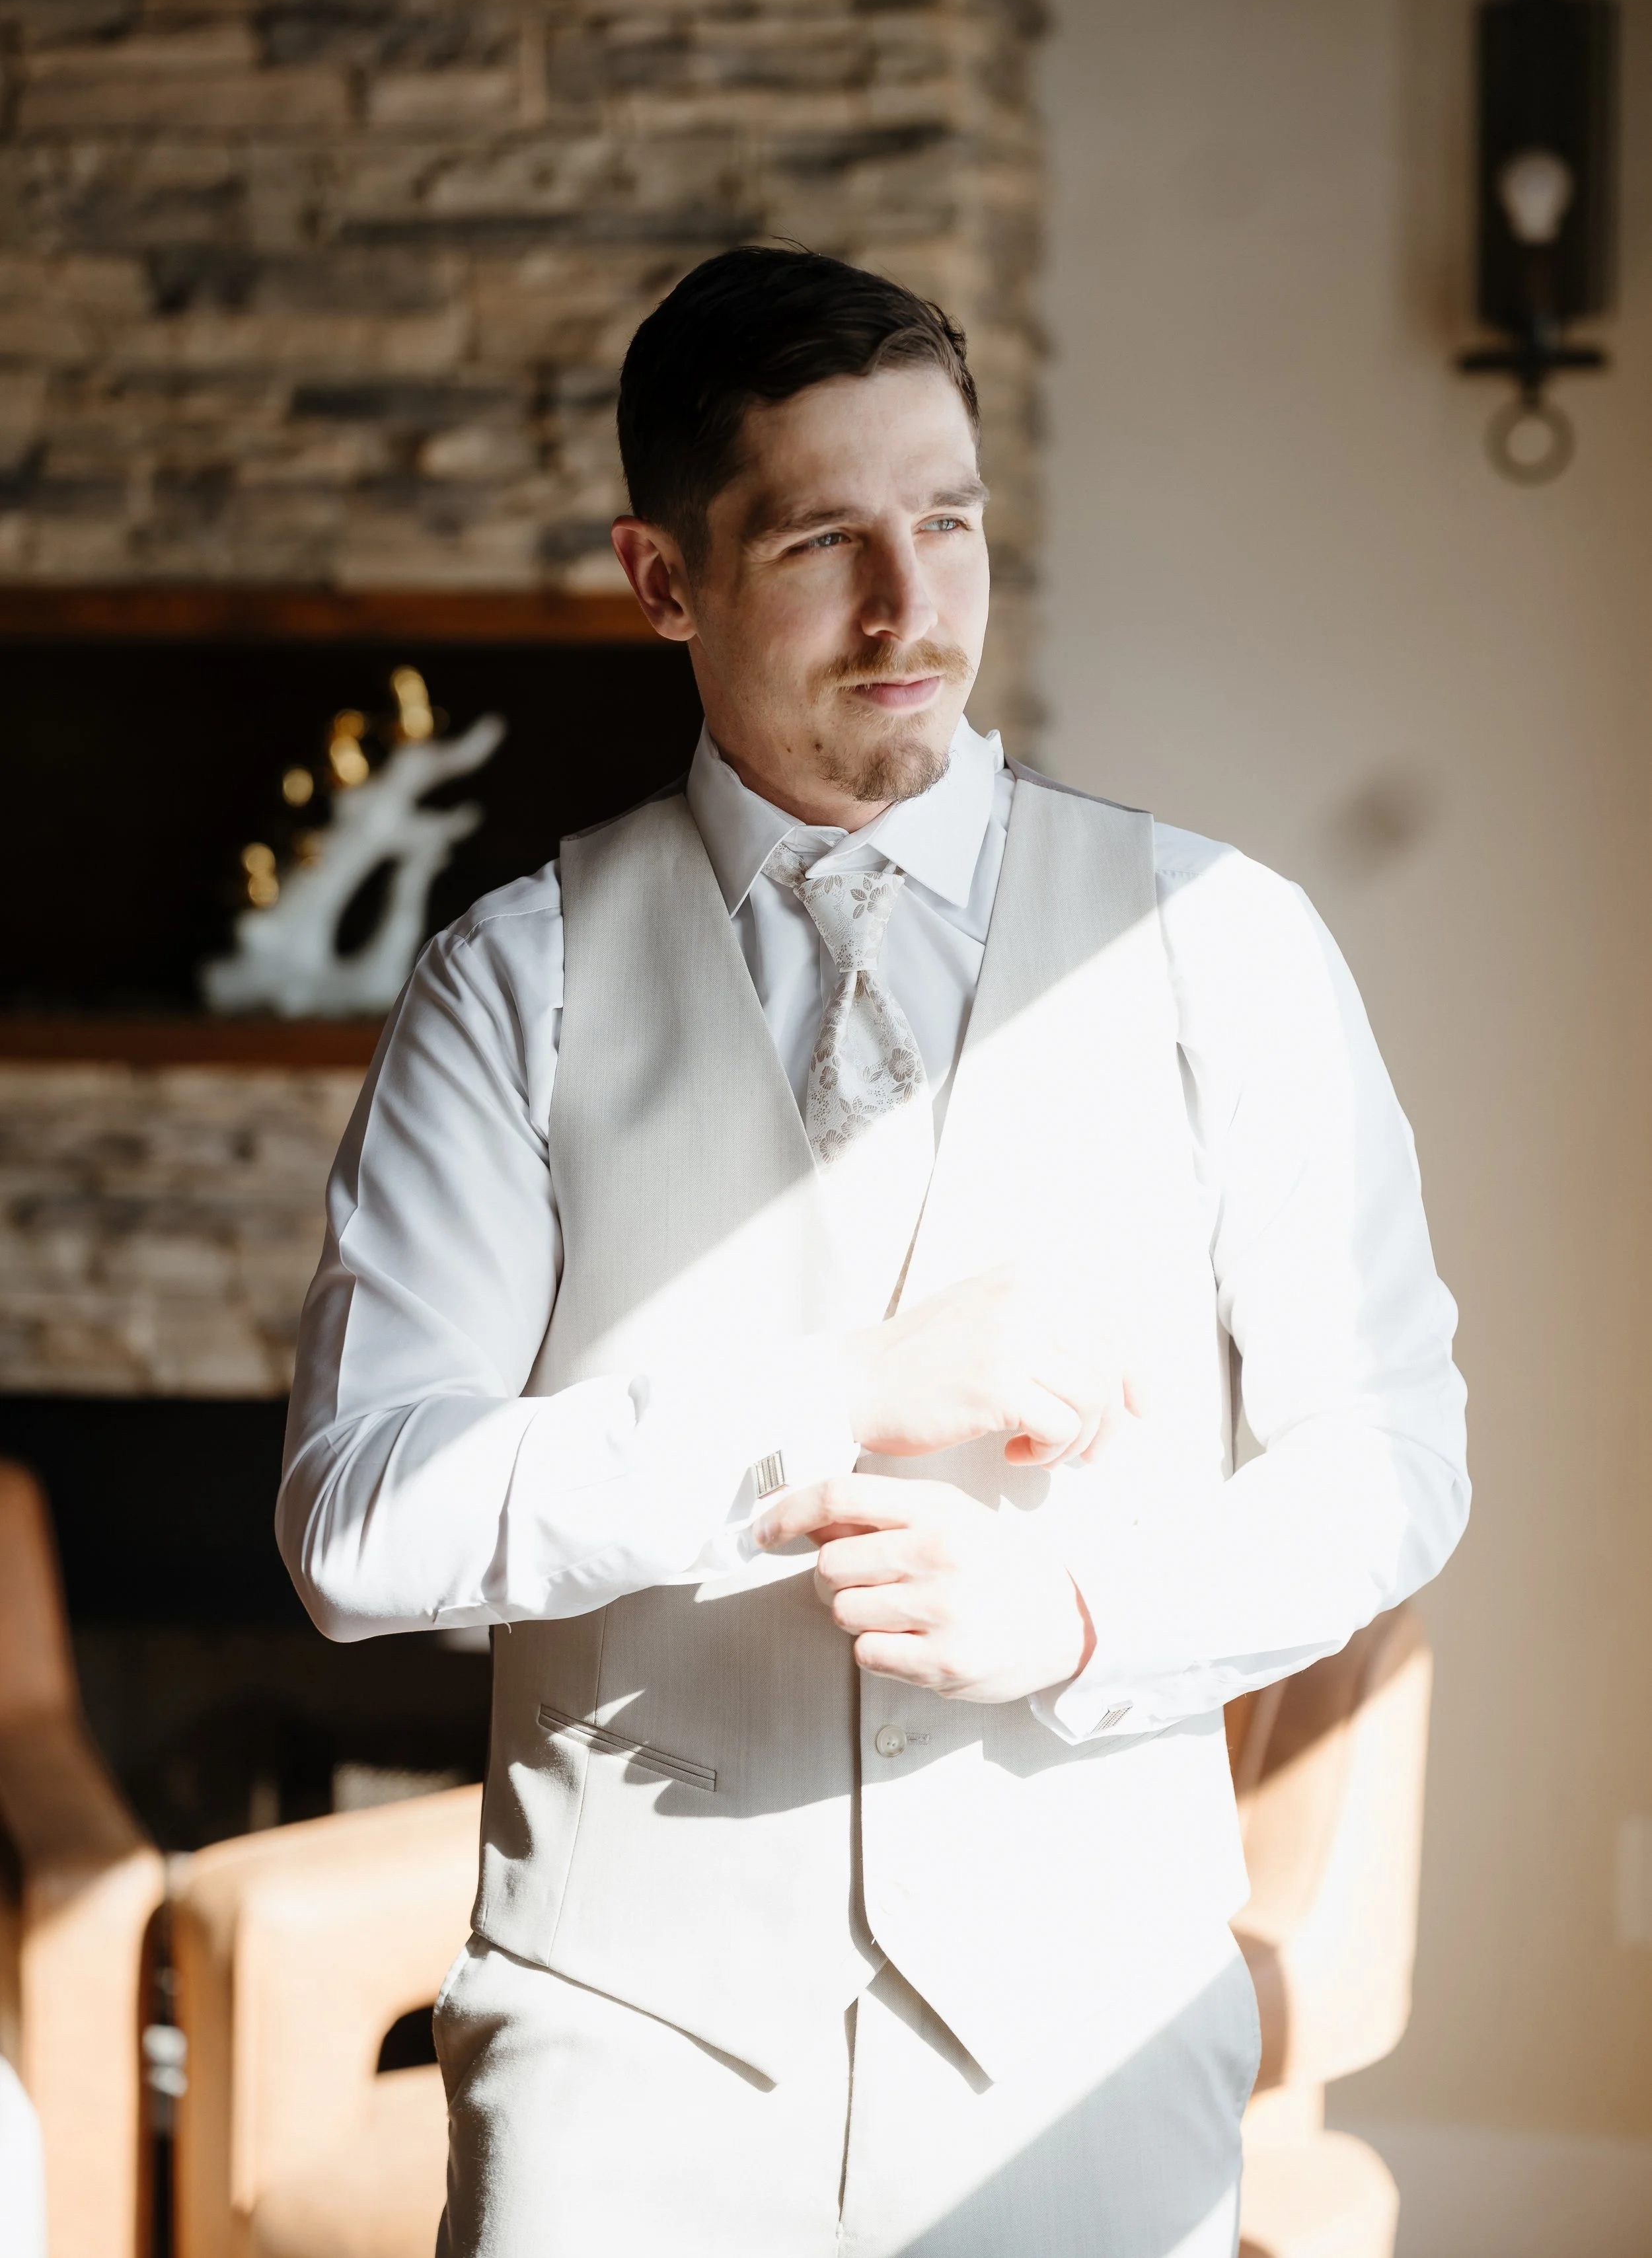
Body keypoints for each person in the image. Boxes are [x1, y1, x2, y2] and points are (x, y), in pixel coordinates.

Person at [278, 246, 1469, 2258]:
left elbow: (1395, 1462)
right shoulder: (515, 985)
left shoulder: (1225, 946)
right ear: (662, 578)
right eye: (828, 538)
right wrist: (832, 1398)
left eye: (949, 522)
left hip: (1087, 2041)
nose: (915, 610)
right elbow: (360, 1520)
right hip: (619, 2065)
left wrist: (1082, 1614)